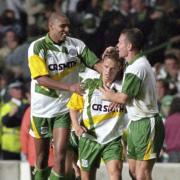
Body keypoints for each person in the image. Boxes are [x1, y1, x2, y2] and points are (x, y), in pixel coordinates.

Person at [28, 12, 101, 180]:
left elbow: (95, 64)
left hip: (64, 108)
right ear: (51, 26)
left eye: (68, 26)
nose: (67, 29)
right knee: (41, 158)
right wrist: (69, 86)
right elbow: (41, 79)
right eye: (63, 26)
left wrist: (109, 64)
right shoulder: (37, 47)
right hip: (42, 110)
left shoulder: (76, 45)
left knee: (60, 154)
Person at [100, 28, 165, 180]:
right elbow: (126, 93)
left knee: (143, 175)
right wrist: (113, 51)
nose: (117, 45)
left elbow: (123, 98)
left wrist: (109, 95)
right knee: (134, 173)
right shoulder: (134, 63)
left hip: (147, 124)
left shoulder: (137, 67)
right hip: (135, 124)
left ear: (129, 47)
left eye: (120, 42)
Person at [67, 49, 125, 180]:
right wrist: (76, 126)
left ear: (119, 68)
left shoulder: (124, 88)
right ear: (102, 64)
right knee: (87, 177)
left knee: (116, 173)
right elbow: (73, 107)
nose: (108, 72)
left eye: (113, 69)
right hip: (90, 137)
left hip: (112, 138)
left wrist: (121, 100)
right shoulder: (89, 83)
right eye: (105, 67)